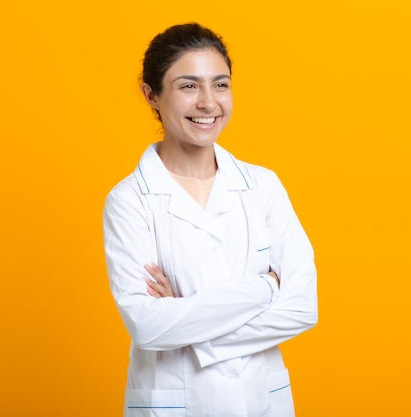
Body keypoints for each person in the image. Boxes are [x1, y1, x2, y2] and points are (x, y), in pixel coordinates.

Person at [103, 22, 318, 417]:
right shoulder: (130, 200)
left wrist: (189, 323)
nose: (208, 103)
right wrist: (264, 289)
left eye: (220, 85)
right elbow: (149, 327)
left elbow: (303, 307)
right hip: (175, 404)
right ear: (151, 95)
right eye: (188, 86)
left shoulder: (262, 186)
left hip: (261, 399)